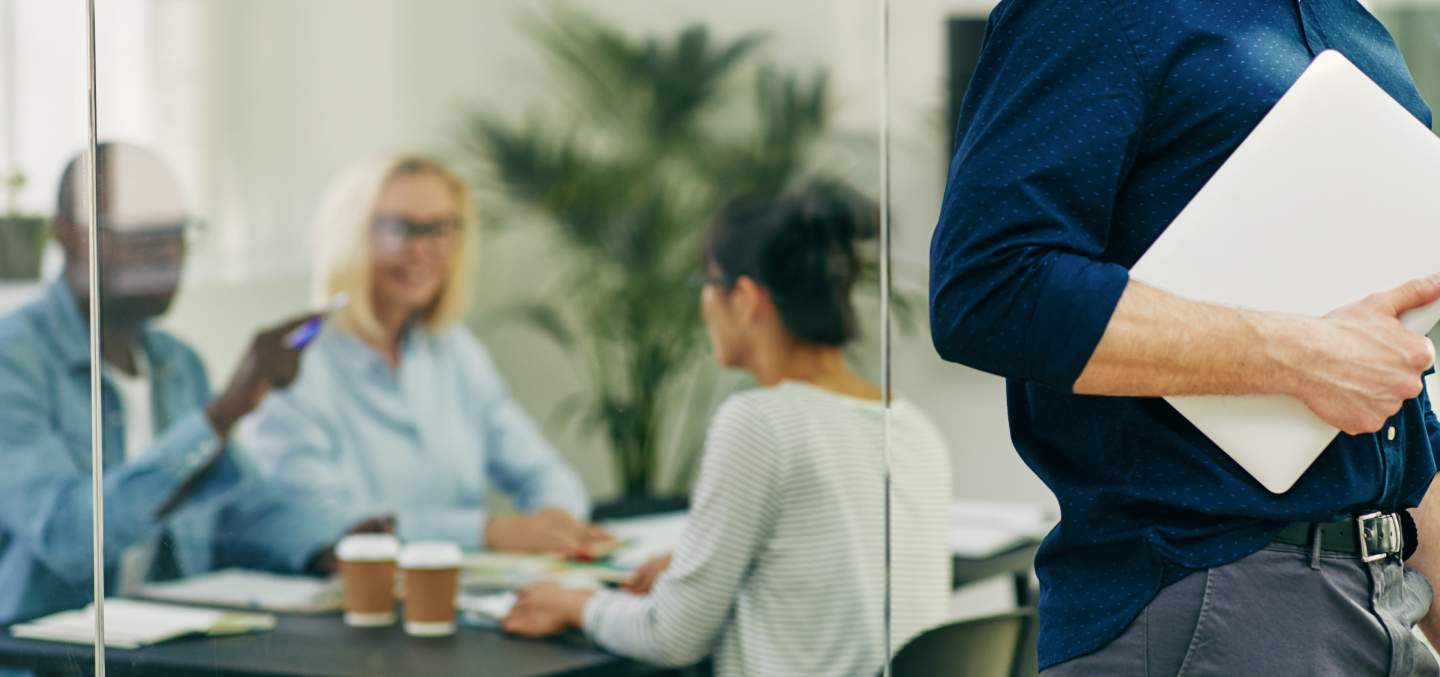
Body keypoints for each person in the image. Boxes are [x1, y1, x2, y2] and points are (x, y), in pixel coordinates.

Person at [930, 2, 1440, 675]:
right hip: (1210, 601)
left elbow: (1397, 417)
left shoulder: (1358, 31)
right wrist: (1301, 356)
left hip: (1387, 604)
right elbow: (989, 285)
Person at [501, 184, 952, 676]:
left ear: (744, 299)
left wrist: (575, 605)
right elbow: (821, 576)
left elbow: (671, 636)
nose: (704, 306)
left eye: (706, 284)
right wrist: (692, 566)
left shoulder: (759, 422)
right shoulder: (912, 426)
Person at [0, 143, 378, 632]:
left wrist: (333, 546)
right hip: (50, 657)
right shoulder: (15, 363)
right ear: (68, 234)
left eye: (176, 231)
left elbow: (238, 507)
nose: (168, 251)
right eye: (143, 233)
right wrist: (221, 415)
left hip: (172, 646)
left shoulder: (176, 363)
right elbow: (69, 538)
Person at [241, 155, 605, 556]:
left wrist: (558, 519)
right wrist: (485, 533)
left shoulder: (455, 352)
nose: (421, 250)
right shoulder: (295, 364)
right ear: (350, 237)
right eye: (400, 229)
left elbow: (539, 470)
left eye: (439, 229)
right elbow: (320, 520)